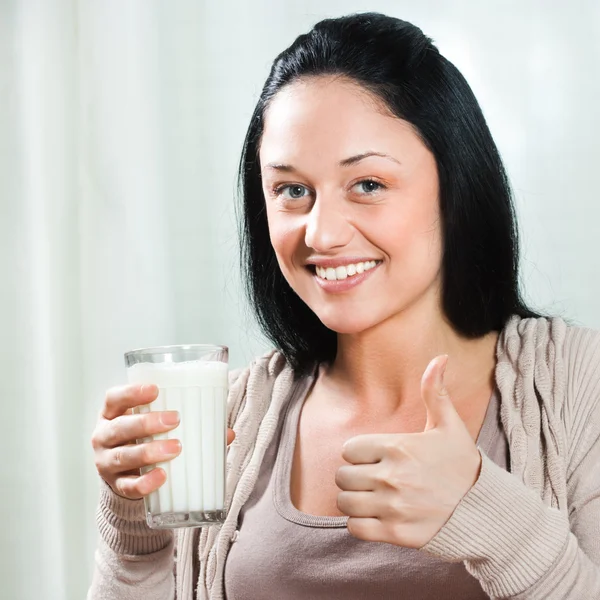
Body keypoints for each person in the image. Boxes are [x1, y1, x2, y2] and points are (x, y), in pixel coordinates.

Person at [87, 12, 600, 600]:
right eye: (291, 191)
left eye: (369, 185)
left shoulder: (579, 389)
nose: (322, 234)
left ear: (455, 186)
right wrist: (134, 534)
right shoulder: (227, 424)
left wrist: (497, 522)